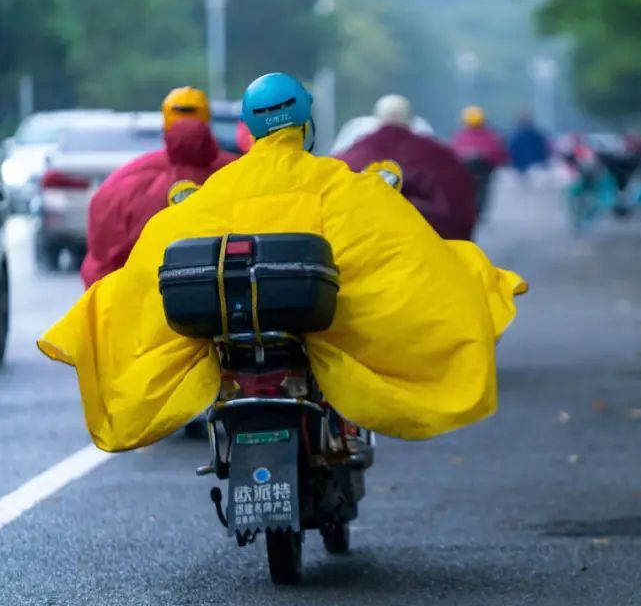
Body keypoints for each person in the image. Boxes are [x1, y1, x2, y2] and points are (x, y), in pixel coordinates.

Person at [39, 72, 527, 452]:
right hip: (309, 317)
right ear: (305, 121)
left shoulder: (216, 189)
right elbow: (399, 250)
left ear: (249, 125)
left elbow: (149, 264)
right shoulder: (338, 182)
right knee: (451, 264)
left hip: (234, 326)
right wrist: (457, 271)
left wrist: (105, 310)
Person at [79, 87, 236, 288]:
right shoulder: (237, 173)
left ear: (165, 122)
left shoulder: (125, 182)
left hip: (145, 300)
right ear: (207, 121)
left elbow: (101, 262)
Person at [338, 94, 477, 240]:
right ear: (410, 119)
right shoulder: (438, 156)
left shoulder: (352, 155)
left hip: (361, 241)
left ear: (378, 119)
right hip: (427, 243)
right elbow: (459, 206)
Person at [451, 106, 508, 217]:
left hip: (483, 168)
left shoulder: (489, 135)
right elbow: (455, 152)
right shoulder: (462, 135)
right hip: (468, 169)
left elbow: (498, 152)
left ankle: (478, 210)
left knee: (481, 191)